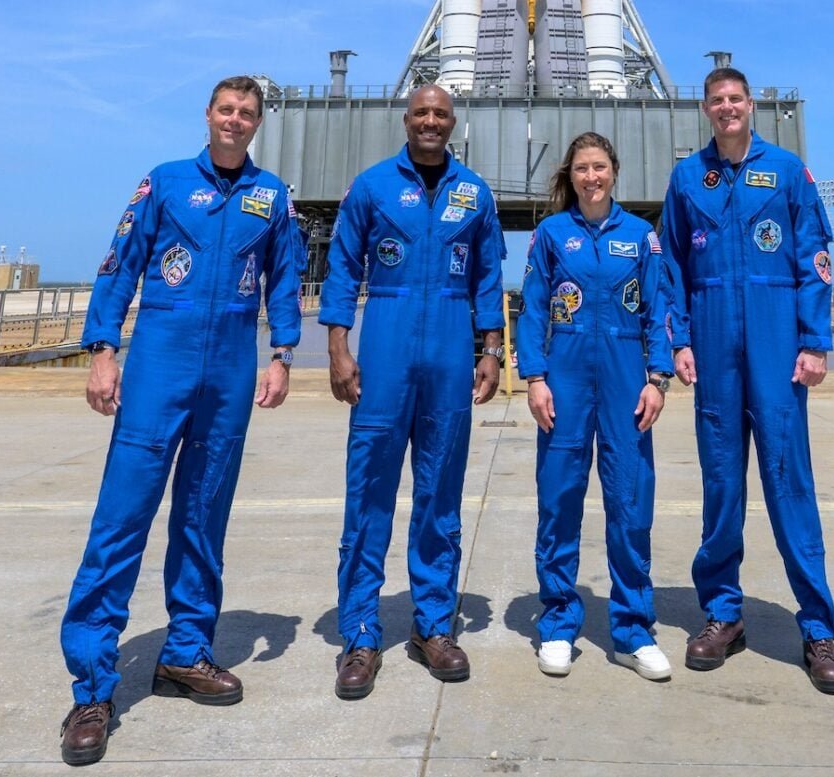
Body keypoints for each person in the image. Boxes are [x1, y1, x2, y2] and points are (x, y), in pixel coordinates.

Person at [58, 76, 306, 766]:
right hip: (158, 363)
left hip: (229, 369)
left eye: (247, 113)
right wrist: (104, 349)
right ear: (209, 115)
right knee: (121, 520)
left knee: (203, 515)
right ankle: (92, 687)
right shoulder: (164, 183)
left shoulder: (272, 197)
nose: (235, 119)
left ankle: (186, 652)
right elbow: (120, 265)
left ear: (257, 122)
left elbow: (285, 277)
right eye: (226, 109)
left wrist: (281, 353)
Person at [662, 65, 834, 695]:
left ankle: (818, 628)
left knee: (789, 484)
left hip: (775, 348)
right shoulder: (688, 177)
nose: (726, 108)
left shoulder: (788, 171)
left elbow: (814, 258)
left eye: (735, 99)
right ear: (705, 110)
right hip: (713, 350)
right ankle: (722, 615)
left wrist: (814, 341)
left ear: (751, 104)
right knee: (721, 486)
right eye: (716, 101)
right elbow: (673, 270)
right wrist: (680, 342)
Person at [320, 83, 506, 700]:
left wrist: (490, 350)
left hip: (450, 353)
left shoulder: (473, 193)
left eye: (441, 114)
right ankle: (361, 634)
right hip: (386, 350)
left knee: (439, 496)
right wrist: (339, 346)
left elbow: (486, 278)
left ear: (453, 124)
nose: (431, 121)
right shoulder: (371, 187)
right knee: (368, 493)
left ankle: (432, 626)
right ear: (407, 120)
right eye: (422, 112)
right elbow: (344, 268)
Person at [517, 131, 684, 681]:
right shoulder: (549, 235)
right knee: (559, 500)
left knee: (631, 502)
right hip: (563, 379)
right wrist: (534, 378)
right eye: (583, 168)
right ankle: (560, 623)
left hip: (624, 378)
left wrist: (657, 378)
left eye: (601, 167)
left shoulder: (641, 236)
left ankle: (633, 631)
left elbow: (659, 308)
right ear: (571, 174)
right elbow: (533, 309)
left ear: (614, 171)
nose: (593, 177)